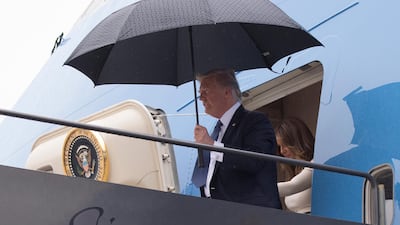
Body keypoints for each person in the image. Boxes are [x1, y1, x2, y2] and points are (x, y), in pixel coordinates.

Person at [191, 68, 281, 209]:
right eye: (200, 93)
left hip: (252, 214)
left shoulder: (255, 121)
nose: (201, 98)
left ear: (227, 92)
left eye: (205, 92)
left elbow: (255, 160)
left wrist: (211, 145)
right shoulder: (217, 131)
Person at [274, 117, 314, 214]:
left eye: (285, 145)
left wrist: (256, 189)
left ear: (296, 141)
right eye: (280, 146)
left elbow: (293, 186)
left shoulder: (317, 163)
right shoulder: (295, 172)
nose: (282, 151)